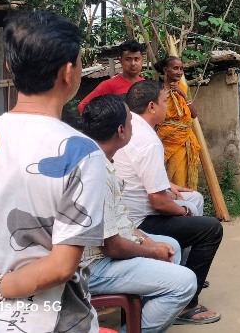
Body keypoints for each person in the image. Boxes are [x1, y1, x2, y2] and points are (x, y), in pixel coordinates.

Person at [0, 11, 107, 333]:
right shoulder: (81, 152)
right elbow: (61, 266)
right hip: (59, 322)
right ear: (68, 73)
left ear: (10, 67)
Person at [80, 94, 197, 333]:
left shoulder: (99, 157)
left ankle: (135, 319)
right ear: (121, 131)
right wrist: (152, 251)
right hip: (94, 266)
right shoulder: (95, 171)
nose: (136, 127)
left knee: (171, 245)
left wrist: (149, 241)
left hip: (108, 248)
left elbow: (120, 218)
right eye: (132, 123)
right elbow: (112, 247)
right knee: (185, 282)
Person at [114, 80, 222, 325]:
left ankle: (184, 272)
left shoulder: (128, 127)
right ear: (152, 107)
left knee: (193, 197)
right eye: (164, 102)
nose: (167, 107)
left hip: (125, 211)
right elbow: (159, 203)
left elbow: (140, 176)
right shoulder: (147, 139)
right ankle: (187, 303)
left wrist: (170, 188)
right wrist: (184, 211)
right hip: (139, 220)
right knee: (210, 228)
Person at [154, 56, 201, 190]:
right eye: (175, 68)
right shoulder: (159, 92)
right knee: (166, 177)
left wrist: (183, 96)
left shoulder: (183, 88)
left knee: (182, 176)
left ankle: (184, 204)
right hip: (167, 140)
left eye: (181, 69)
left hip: (184, 140)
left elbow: (194, 114)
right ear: (165, 70)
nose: (179, 72)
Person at [77, 39, 146, 113]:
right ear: (121, 61)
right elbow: (83, 106)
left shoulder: (145, 84)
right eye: (128, 59)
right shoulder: (109, 85)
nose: (133, 63)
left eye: (136, 59)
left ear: (142, 60)